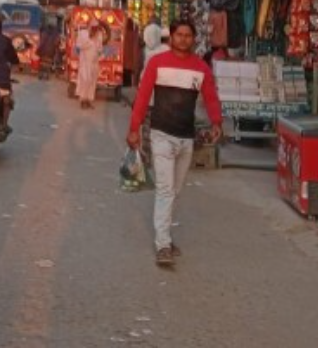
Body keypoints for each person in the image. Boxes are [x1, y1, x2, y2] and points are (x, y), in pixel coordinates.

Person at [126, 21, 223, 268]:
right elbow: (142, 97)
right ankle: (163, 245)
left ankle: (165, 236)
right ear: (171, 37)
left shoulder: (201, 68)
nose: (183, 39)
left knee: (175, 191)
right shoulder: (157, 63)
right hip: (160, 135)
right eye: (179, 34)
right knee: (166, 190)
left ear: (194, 39)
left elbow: (211, 97)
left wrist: (216, 123)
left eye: (188, 35)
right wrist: (134, 129)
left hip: (186, 138)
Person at [75, 24, 105, 109]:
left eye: (96, 29)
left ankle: (88, 100)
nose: (95, 31)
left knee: (92, 82)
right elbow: (79, 45)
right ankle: (83, 100)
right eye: (94, 29)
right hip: (85, 63)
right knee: (85, 80)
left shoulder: (99, 35)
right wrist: (90, 41)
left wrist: (100, 55)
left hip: (94, 63)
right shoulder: (83, 34)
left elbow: (99, 48)